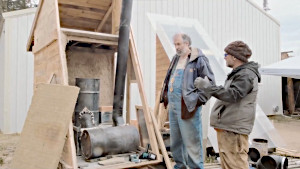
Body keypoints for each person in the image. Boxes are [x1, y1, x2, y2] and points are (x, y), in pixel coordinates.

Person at [194, 40, 261, 169]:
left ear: (234, 57)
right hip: (229, 127)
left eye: (226, 55)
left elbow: (232, 95)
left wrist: (209, 87)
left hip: (234, 129)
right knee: (229, 164)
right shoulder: (240, 73)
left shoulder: (245, 75)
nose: (224, 58)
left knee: (235, 164)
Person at [160, 33, 215, 169]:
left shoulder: (199, 60)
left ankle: (196, 167)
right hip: (173, 106)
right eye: (175, 44)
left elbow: (210, 84)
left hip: (188, 107)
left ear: (187, 43)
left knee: (192, 141)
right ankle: (180, 166)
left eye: (178, 44)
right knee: (176, 141)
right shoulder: (175, 59)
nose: (176, 47)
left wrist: (197, 101)